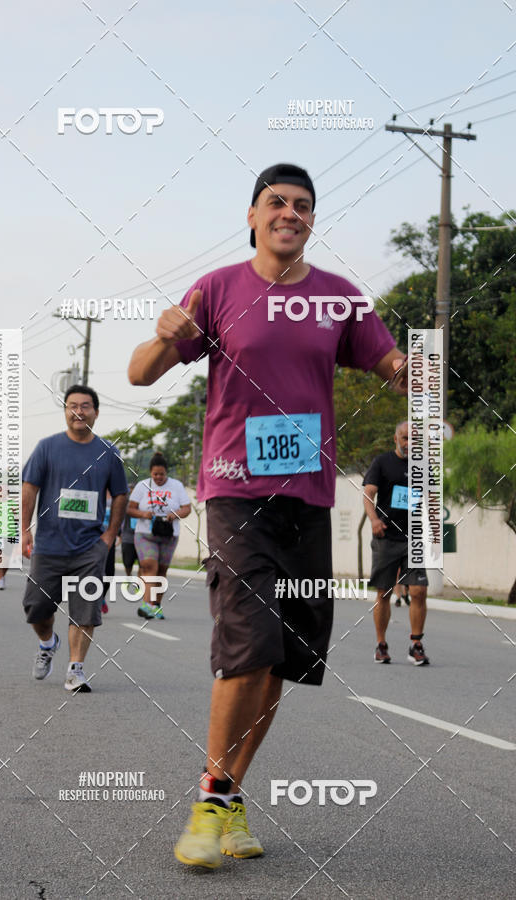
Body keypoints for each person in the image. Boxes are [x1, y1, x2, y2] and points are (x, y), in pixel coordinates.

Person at [128, 162, 408, 869]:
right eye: (276, 202)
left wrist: (425, 375)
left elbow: (394, 368)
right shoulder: (218, 289)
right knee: (248, 643)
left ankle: (228, 796)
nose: (290, 213)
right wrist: (163, 335)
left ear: (313, 219)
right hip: (235, 492)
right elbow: (140, 373)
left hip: (308, 499)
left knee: (281, 657)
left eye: (303, 205)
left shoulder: (338, 299)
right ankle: (210, 801)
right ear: (252, 216)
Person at [21, 385, 127, 692]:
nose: (78, 411)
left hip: (90, 547)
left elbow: (121, 494)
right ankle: (47, 643)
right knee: (36, 608)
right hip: (49, 545)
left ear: (96, 412)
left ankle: (75, 670)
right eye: (72, 406)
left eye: (85, 406)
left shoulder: (108, 452)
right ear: (65, 410)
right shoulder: (47, 447)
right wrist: (25, 529)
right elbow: (29, 488)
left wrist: (110, 535)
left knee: (85, 610)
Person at [363, 421, 429, 665]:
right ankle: (381, 644)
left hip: (413, 538)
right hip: (387, 537)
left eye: (414, 439)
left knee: (419, 591)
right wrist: (374, 520)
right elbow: (368, 493)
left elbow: (430, 498)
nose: (409, 443)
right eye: (405, 438)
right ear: (396, 439)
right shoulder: (382, 462)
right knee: (384, 592)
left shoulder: (423, 466)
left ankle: (416, 644)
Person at [127, 453, 191, 619]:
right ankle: (147, 604)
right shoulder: (142, 486)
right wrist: (143, 514)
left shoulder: (176, 486)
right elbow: (130, 508)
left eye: (161, 474)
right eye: (155, 474)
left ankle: (156, 606)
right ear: (150, 472)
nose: (158, 477)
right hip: (145, 533)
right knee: (149, 566)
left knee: (162, 571)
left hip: (169, 534)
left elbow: (187, 508)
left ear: (166, 472)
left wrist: (174, 515)